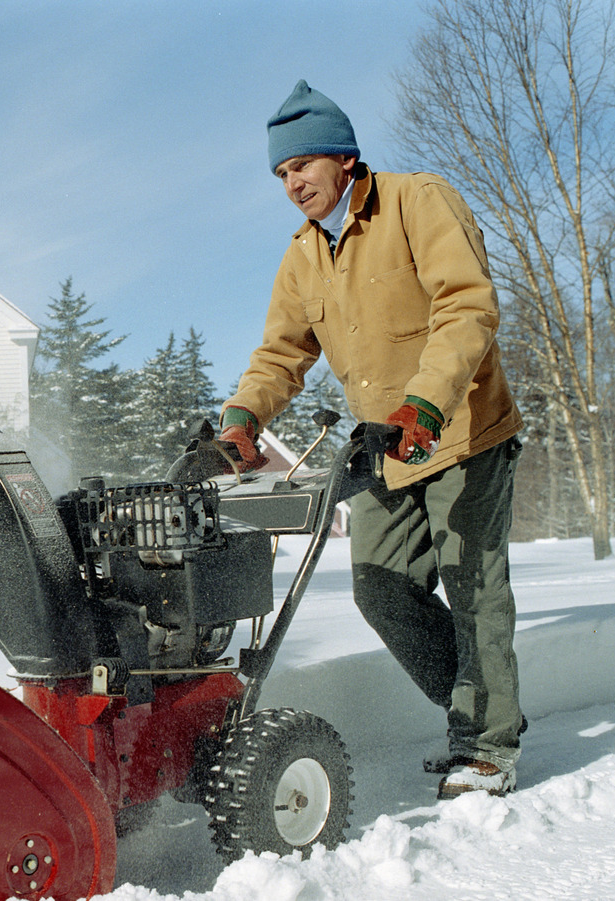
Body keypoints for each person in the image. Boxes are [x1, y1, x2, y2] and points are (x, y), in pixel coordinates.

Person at [216, 80, 526, 798]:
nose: (292, 183)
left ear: (343, 157)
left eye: (301, 165)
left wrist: (427, 401)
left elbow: (468, 303)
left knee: (473, 585)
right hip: (385, 450)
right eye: (281, 174)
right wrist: (243, 417)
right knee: (380, 587)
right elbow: (280, 355)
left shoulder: (417, 200)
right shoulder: (302, 257)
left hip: (461, 430)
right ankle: (476, 712)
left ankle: (486, 745)